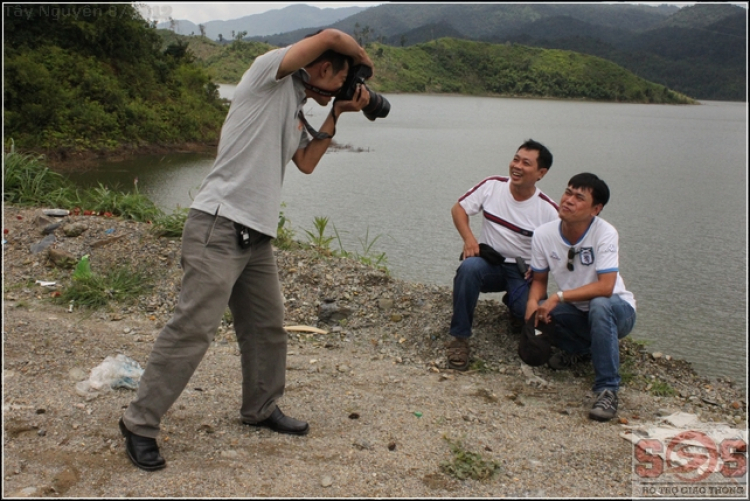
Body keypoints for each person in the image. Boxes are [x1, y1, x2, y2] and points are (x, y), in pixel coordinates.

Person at [118, 29, 374, 471]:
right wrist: (364, 62)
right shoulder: (268, 74)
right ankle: (139, 423)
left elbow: (307, 163)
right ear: (324, 67)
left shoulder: (295, 104)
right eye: (341, 80)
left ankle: (260, 407)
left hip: (256, 235)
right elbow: (333, 34)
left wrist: (337, 112)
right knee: (193, 328)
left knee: (267, 327)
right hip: (218, 223)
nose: (341, 88)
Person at [526, 172, 636, 422]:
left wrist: (558, 296)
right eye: (567, 192)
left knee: (599, 305)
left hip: (618, 310)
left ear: (595, 209)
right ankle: (585, 349)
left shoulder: (605, 233)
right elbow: (539, 280)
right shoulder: (544, 234)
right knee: (542, 313)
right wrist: (533, 305)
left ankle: (608, 389)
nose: (568, 200)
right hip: (577, 310)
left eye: (578, 197)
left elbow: (606, 287)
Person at [447, 139, 559, 371]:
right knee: (468, 269)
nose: (517, 166)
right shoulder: (492, 186)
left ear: (541, 173)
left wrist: (541, 268)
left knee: (530, 312)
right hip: (489, 265)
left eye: (525, 163)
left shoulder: (548, 210)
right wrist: (469, 239)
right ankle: (459, 338)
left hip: (522, 273)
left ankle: (514, 306)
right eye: (515, 159)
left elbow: (560, 247)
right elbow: (459, 208)